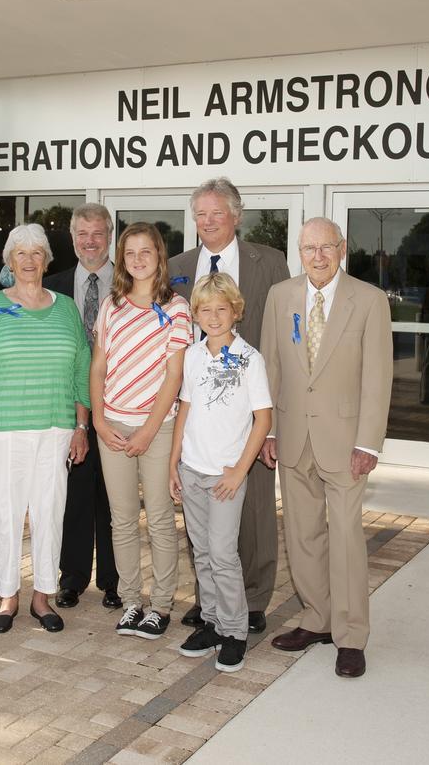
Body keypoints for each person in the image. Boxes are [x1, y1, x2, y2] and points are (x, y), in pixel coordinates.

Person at [259, 217, 391, 679]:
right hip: (294, 438)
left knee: (347, 539)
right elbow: (271, 365)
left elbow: (378, 377)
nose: (317, 256)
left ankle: (351, 634)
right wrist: (269, 430)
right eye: (308, 247)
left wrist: (368, 442)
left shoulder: (369, 301)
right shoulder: (282, 296)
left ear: (342, 248)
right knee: (302, 535)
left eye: (325, 247)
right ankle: (317, 620)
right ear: (300, 251)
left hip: (345, 443)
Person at [168, 177, 289, 634]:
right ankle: (211, 602)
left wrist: (272, 424)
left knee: (255, 507)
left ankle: (254, 599)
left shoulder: (269, 262)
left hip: (249, 405)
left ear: (237, 216)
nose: (208, 222)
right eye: (201, 214)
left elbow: (278, 340)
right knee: (203, 523)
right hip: (197, 403)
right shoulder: (178, 266)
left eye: (217, 213)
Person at [0, 224, 90, 634]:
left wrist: (81, 426)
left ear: (47, 259)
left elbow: (81, 371)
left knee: (50, 513)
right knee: (7, 514)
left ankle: (43, 597)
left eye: (37, 253)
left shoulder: (67, 308)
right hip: (2, 430)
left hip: (56, 430)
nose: (30, 260)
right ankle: (7, 596)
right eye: (21, 253)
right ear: (9, 261)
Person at [92, 222, 192, 640]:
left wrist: (149, 431)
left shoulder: (178, 307)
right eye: (129, 252)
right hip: (111, 427)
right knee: (122, 520)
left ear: (159, 255)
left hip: (158, 428)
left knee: (161, 520)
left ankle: (161, 605)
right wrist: (98, 419)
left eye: (145, 251)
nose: (137, 259)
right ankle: (132, 601)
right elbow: (98, 366)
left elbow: (174, 377)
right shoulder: (111, 305)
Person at [169, 273, 272, 673]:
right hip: (191, 469)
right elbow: (186, 409)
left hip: (225, 476)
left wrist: (239, 471)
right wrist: (173, 463)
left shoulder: (250, 360)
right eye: (205, 310)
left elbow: (262, 420)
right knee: (204, 552)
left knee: (225, 554)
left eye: (221, 309)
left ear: (236, 312)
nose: (213, 317)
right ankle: (211, 622)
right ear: (195, 314)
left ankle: (234, 632)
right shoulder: (192, 356)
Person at [42, 204, 120, 611]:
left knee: (114, 497)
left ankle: (113, 580)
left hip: (116, 407)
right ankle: (71, 578)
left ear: (110, 235)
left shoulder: (128, 284)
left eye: (98, 233)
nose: (90, 241)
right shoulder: (51, 286)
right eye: (82, 234)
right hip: (67, 409)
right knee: (71, 496)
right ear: (72, 239)